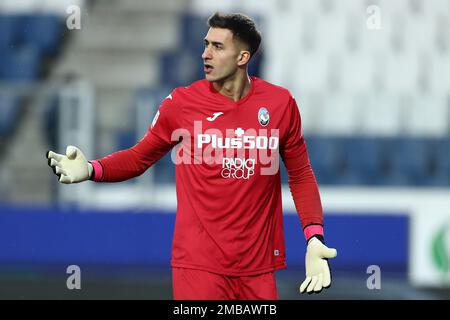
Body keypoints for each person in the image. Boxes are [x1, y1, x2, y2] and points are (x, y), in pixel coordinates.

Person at [46, 12, 337, 300]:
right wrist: (92, 169)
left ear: (243, 58)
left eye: (217, 47)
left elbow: (300, 174)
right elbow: (139, 158)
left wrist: (314, 237)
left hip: (258, 268)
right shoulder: (181, 103)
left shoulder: (280, 104)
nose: (205, 54)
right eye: (205, 44)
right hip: (199, 266)